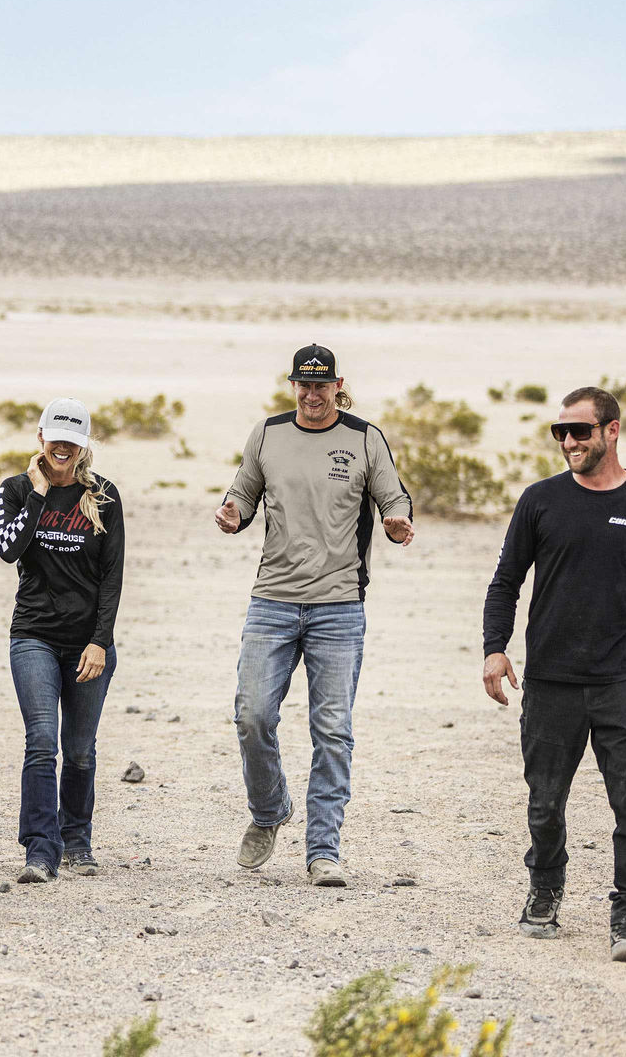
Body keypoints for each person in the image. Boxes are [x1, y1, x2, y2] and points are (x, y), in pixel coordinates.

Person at [482, 385, 626, 963]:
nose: (569, 441)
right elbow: (506, 581)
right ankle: (546, 886)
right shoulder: (540, 501)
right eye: (560, 432)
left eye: (579, 431)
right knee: (545, 802)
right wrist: (494, 649)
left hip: (623, 681)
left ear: (612, 431)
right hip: (550, 681)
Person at [215, 344, 413, 887]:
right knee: (252, 715)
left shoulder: (364, 438)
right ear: (293, 386)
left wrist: (397, 521)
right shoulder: (268, 434)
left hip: (339, 607)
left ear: (337, 385)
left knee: (332, 729)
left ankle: (323, 849)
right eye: (303, 385)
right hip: (272, 600)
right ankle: (269, 811)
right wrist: (231, 515)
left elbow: (394, 498)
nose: (311, 394)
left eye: (321, 385)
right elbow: (242, 495)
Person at [0, 399, 125, 883]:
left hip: (88, 643)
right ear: (40, 439)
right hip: (34, 637)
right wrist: (38, 493)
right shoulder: (15, 489)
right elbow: (8, 550)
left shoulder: (105, 496)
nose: (63, 447)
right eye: (56, 438)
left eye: (73, 440)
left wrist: (100, 642)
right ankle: (40, 850)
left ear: (85, 444)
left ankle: (77, 839)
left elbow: (112, 578)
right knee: (42, 741)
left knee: (81, 748)